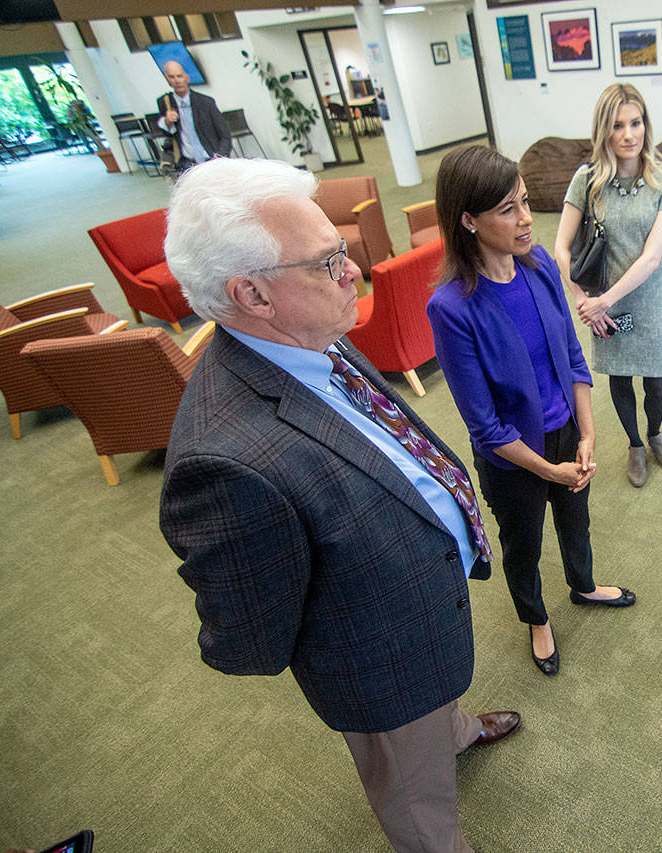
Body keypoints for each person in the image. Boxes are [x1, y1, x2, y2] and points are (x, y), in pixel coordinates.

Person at [159, 157, 519, 853]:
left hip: (424, 613)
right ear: (252, 295)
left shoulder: (307, 329)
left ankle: (456, 729)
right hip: (376, 662)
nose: (353, 269)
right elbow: (247, 637)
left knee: (436, 709)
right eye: (328, 261)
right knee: (416, 796)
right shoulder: (222, 464)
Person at [427, 145, 635, 678]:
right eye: (506, 209)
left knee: (576, 520)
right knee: (523, 544)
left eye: (523, 201)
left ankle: (584, 585)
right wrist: (548, 470)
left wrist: (587, 435)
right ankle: (536, 618)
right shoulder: (451, 308)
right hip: (514, 458)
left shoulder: (539, 264)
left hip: (566, 431)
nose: (525, 219)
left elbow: (571, 356)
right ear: (468, 220)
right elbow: (485, 427)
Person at [554, 83, 662, 488]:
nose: (629, 134)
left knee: (658, 383)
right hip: (603, 306)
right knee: (621, 379)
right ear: (603, 131)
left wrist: (604, 300)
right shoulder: (587, 179)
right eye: (617, 125)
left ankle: (655, 433)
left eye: (636, 122)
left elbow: (651, 257)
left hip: (648, 301)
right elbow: (560, 246)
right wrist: (584, 300)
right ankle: (634, 445)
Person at [155, 60, 232, 174]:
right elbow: (168, 134)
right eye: (172, 77)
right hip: (187, 163)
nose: (177, 81)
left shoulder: (206, 102)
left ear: (187, 78)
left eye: (179, 76)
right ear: (167, 79)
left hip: (211, 161)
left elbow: (225, 135)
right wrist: (167, 122)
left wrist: (219, 159)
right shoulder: (165, 102)